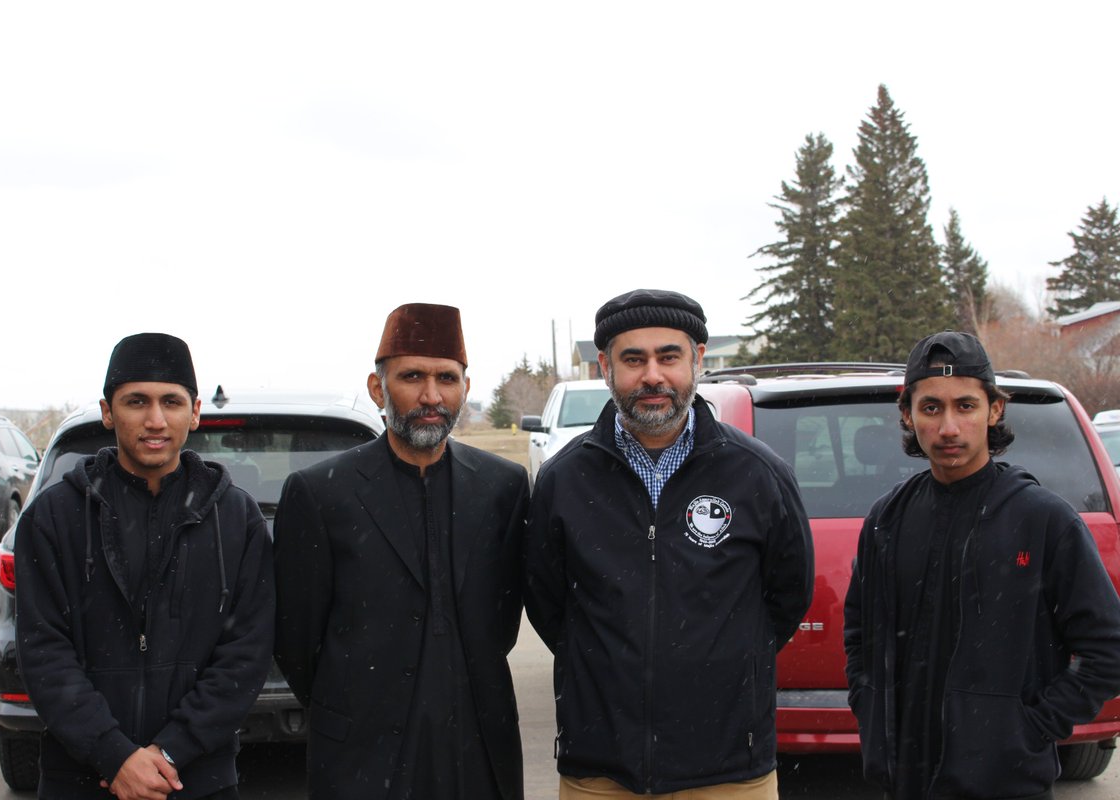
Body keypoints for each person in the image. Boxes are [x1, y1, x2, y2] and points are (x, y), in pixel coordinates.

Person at [524, 288, 814, 799]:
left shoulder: (758, 474)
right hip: (600, 772)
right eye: (633, 359)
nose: (652, 376)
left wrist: (723, 666)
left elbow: (786, 597)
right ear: (605, 367)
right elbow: (549, 606)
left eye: (669, 356)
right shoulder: (564, 480)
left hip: (729, 772)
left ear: (697, 359)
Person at [843, 330, 1120, 799]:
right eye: (931, 408)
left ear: (994, 410)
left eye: (965, 406)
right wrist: (868, 703)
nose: (949, 427)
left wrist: (1028, 728)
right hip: (904, 779)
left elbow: (1108, 649)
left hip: (1006, 784)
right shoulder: (887, 519)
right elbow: (859, 633)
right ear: (908, 415)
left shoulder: (1041, 519)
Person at [273, 303, 529, 800]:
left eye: (446, 379)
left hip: (476, 745)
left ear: (465, 389)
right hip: (362, 753)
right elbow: (297, 639)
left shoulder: (503, 486)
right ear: (378, 389)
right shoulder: (322, 492)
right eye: (412, 376)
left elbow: (503, 620)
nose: (431, 396)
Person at [15, 333, 276, 800]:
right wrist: (112, 754)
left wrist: (171, 752)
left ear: (194, 412)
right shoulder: (55, 517)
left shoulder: (236, 520)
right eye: (137, 401)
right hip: (80, 778)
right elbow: (43, 652)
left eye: (171, 402)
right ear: (108, 411)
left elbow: (246, 654)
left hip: (198, 780)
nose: (155, 420)